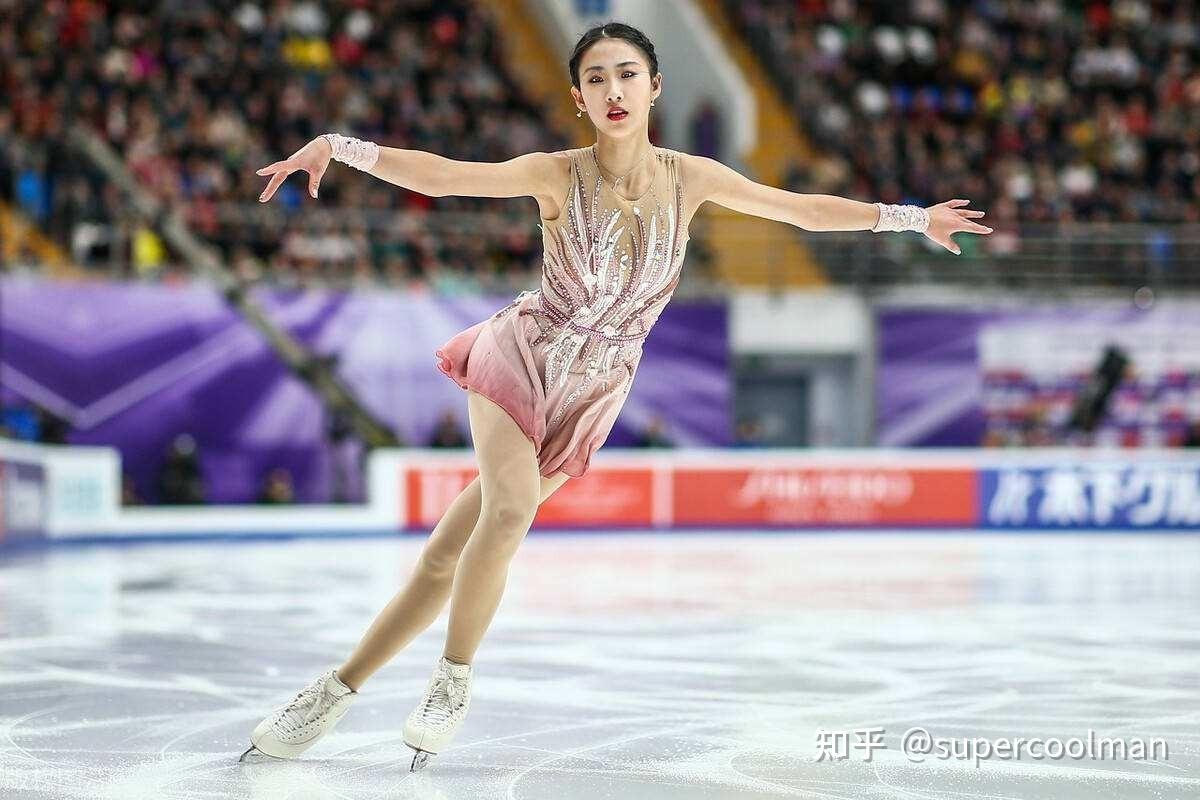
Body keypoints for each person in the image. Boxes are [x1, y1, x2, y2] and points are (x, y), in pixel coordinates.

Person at [241, 21, 993, 771]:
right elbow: (445, 176)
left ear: (655, 87)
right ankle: (452, 680)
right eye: (596, 78)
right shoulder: (555, 174)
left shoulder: (691, 178)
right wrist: (339, 146)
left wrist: (912, 217)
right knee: (508, 512)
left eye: (627, 74)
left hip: (596, 391)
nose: (613, 90)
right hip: (526, 356)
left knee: (446, 556)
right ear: (578, 98)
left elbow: (802, 209)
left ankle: (334, 692)